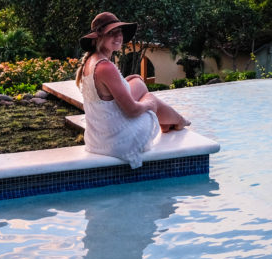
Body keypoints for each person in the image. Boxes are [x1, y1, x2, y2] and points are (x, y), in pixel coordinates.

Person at [75, 12, 190, 168]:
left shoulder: (91, 60)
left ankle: (169, 121)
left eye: (119, 31)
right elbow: (132, 111)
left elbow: (106, 95)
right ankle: (179, 121)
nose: (118, 36)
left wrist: (127, 81)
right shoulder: (105, 67)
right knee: (149, 96)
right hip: (118, 142)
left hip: (97, 140)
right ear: (98, 38)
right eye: (111, 33)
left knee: (136, 81)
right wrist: (150, 104)